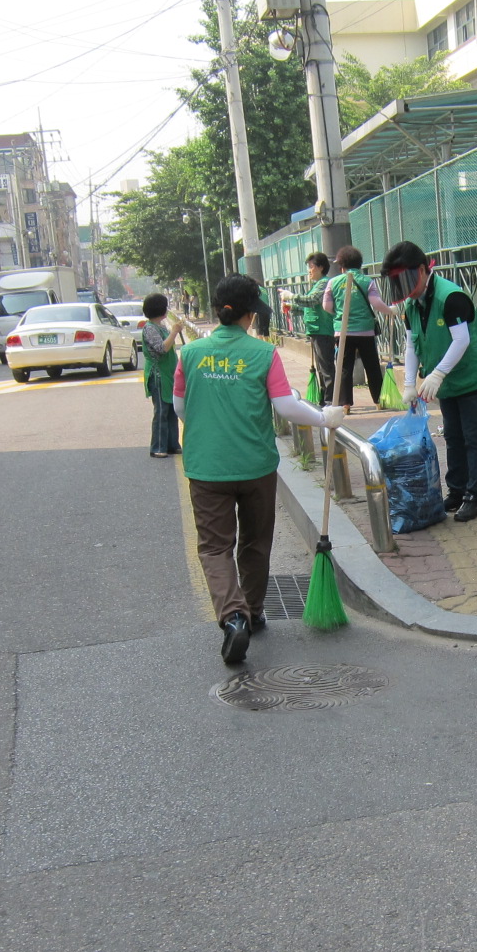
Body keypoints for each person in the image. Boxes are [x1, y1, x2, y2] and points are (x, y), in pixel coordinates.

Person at [174, 274, 345, 665]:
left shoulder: (190, 354)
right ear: (250, 314)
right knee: (255, 542)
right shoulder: (264, 354)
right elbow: (285, 407)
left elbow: (180, 409)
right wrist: (325, 417)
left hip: (206, 468)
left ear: (218, 310)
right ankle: (251, 610)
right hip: (255, 466)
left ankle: (233, 617)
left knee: (215, 547)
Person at [379, 240, 477, 523]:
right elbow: (411, 345)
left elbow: (462, 340)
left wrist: (438, 373)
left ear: (423, 269)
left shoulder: (451, 297)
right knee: (452, 437)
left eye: (408, 279)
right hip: (445, 384)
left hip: (470, 378)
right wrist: (409, 383)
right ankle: (457, 490)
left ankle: (476, 495)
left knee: (472, 437)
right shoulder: (411, 305)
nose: (406, 288)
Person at [321, 245, 388, 410]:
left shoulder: (333, 282)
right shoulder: (367, 281)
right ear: (360, 264)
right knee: (372, 365)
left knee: (344, 368)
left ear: (341, 265)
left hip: (342, 331)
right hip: (366, 330)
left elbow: (326, 306)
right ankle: (379, 400)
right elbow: (376, 304)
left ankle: (345, 404)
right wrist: (391, 310)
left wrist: (339, 314)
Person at [140, 293, 185, 458]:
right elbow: (162, 348)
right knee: (161, 411)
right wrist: (174, 332)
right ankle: (158, 446)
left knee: (172, 409)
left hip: (168, 374)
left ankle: (172, 444)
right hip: (158, 375)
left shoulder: (161, 327)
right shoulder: (150, 328)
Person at [293, 251, 336, 404]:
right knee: (321, 368)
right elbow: (309, 307)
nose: (309, 271)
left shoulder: (324, 283)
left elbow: (312, 300)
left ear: (320, 267)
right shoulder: (317, 284)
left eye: (311, 267)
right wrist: (292, 307)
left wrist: (291, 297)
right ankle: (324, 399)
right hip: (316, 330)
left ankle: (331, 400)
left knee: (326, 368)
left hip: (323, 330)